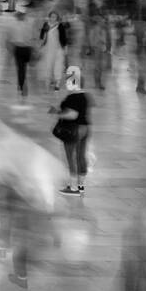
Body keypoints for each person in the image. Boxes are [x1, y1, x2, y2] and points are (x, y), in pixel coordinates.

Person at [53, 67, 90, 196]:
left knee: (71, 157)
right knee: (81, 156)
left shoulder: (72, 98)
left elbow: (73, 115)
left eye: (68, 80)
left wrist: (58, 114)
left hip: (73, 129)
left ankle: (73, 188)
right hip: (85, 128)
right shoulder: (84, 96)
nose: (66, 82)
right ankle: (81, 186)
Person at [39, 11, 68, 91]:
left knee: (58, 66)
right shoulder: (46, 25)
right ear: (49, 17)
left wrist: (65, 48)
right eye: (51, 16)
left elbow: (64, 38)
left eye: (55, 17)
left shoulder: (60, 26)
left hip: (58, 49)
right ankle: (50, 79)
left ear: (57, 18)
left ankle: (57, 83)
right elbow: (42, 36)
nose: (53, 18)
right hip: (48, 49)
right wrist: (40, 45)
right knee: (48, 65)